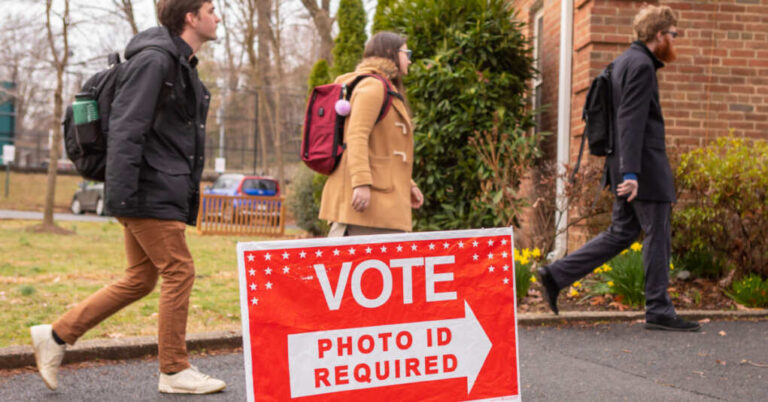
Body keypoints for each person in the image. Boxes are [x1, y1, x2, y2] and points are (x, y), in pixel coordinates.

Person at [30, 0, 227, 394]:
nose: (217, 15)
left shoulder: (177, 64)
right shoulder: (156, 61)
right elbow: (126, 127)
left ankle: (55, 336)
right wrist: (122, 195)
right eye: (210, 8)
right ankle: (173, 370)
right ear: (191, 18)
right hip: (147, 187)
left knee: (141, 278)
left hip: (152, 185)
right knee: (179, 270)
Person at [538, 5, 701, 332]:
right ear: (659, 35)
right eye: (673, 35)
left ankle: (555, 275)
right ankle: (658, 308)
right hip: (643, 170)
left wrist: (623, 170)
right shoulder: (641, 66)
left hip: (625, 165)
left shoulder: (624, 61)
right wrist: (631, 175)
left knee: (621, 233)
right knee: (658, 234)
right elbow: (629, 121)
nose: (675, 40)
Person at [319, 32, 424, 237]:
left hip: (381, 200)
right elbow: (356, 135)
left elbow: (384, 147)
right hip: (368, 204)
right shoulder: (374, 86)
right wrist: (361, 183)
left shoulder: (383, 86)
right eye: (406, 52)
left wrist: (408, 185)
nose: (409, 59)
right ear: (389, 52)